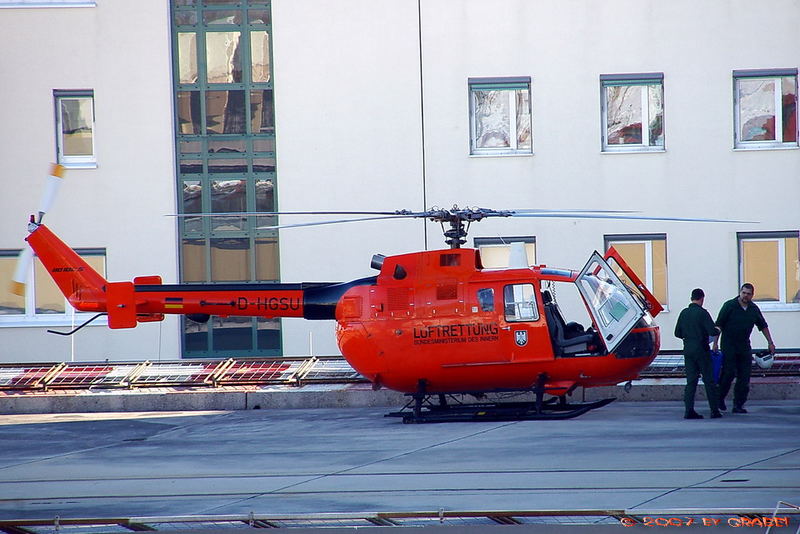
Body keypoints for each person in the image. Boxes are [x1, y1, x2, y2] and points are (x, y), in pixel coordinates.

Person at [713, 283, 776, 414]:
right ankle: (719, 398)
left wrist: (770, 342)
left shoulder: (753, 309)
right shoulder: (729, 306)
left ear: (752, 295)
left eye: (748, 294)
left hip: (744, 346)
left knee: (744, 376)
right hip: (729, 345)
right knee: (728, 373)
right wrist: (715, 343)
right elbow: (719, 325)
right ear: (740, 292)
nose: (745, 296)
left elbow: (763, 326)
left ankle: (738, 405)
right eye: (744, 293)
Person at [674, 288, 722, 419]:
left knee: (691, 382)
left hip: (688, 350)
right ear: (702, 298)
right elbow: (712, 331)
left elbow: (677, 333)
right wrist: (717, 329)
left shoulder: (684, 313)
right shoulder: (702, 313)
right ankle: (714, 411)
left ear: (691, 298)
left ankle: (688, 411)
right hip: (702, 350)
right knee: (709, 380)